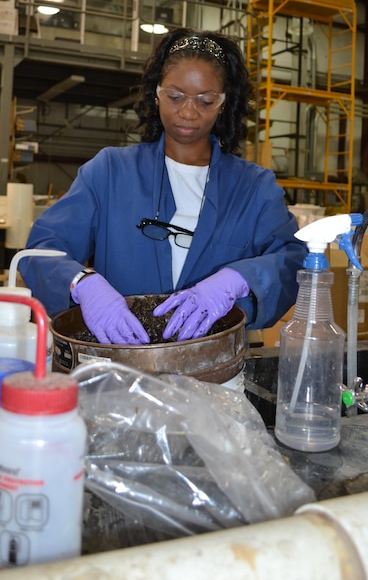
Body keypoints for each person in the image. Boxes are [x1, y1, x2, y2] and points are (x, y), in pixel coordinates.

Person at [20, 28, 307, 344]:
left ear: (224, 103)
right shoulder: (109, 172)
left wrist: (240, 278)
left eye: (206, 100)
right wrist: (81, 283)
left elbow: (294, 260)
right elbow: (41, 250)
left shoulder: (254, 188)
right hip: (121, 365)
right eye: (175, 96)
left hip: (214, 373)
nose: (188, 112)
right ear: (155, 94)